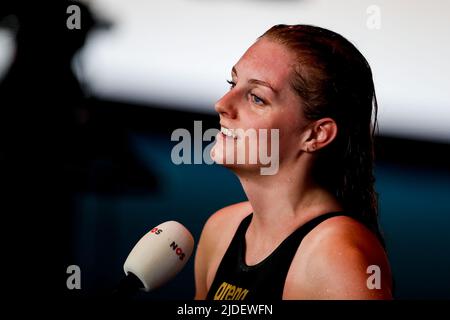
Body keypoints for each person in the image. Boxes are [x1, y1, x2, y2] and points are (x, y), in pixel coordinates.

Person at [194, 24, 393, 300]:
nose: (222, 104)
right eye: (232, 83)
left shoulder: (337, 258)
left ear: (316, 134)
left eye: (257, 98)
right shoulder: (221, 229)